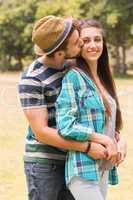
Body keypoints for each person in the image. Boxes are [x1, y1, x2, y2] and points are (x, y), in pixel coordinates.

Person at [18, 16, 109, 200]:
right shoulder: (32, 79)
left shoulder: (71, 68)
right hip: (45, 164)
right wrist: (86, 146)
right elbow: (41, 132)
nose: (82, 45)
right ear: (60, 52)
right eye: (77, 43)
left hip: (72, 161)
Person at [56, 19, 126, 200]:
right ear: (78, 45)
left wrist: (118, 139)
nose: (93, 45)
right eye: (86, 41)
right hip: (83, 168)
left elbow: (104, 120)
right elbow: (65, 124)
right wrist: (104, 139)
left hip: (103, 168)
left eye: (98, 39)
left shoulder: (103, 79)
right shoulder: (74, 77)